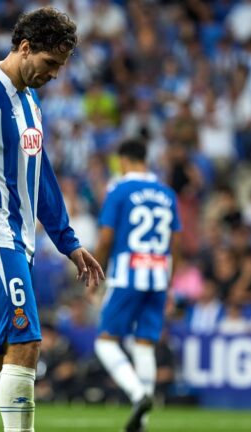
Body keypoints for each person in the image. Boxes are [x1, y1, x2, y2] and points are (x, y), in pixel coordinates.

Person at [0, 7, 104, 432]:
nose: (54, 75)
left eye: (61, 67)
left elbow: (39, 176)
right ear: (25, 48)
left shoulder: (29, 100)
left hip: (18, 240)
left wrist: (68, 241)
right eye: (50, 64)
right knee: (26, 341)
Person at [89, 139, 182, 432]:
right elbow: (175, 243)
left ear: (124, 161)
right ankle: (141, 422)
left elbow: (105, 239)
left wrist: (94, 271)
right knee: (144, 345)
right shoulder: (167, 194)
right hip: (158, 275)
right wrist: (168, 281)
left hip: (128, 273)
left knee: (105, 342)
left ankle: (138, 394)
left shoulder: (119, 190)